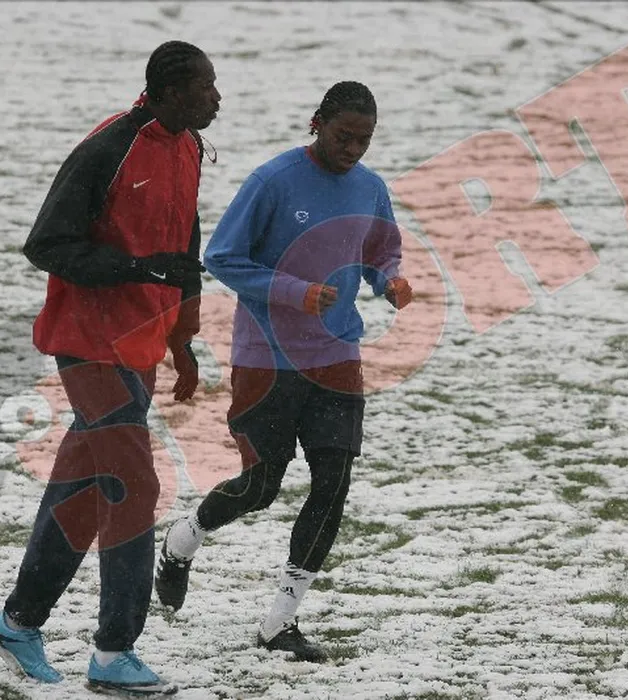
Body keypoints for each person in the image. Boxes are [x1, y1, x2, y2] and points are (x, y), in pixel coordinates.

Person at [0, 41, 220, 695]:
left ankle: (16, 623)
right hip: (88, 343)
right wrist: (135, 269)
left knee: (83, 491)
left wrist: (183, 341)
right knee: (134, 485)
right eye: (205, 87)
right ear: (170, 91)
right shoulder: (108, 148)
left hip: (140, 346)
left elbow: (185, 246)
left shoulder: (189, 147)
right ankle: (115, 653)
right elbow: (46, 244)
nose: (216, 98)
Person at [155, 81, 412, 662]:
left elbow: (379, 251)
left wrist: (389, 281)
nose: (353, 149)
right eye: (343, 136)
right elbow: (222, 257)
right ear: (317, 123)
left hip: (337, 357)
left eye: (364, 140)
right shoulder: (272, 181)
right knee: (260, 487)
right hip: (266, 359)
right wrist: (296, 291)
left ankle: (281, 622)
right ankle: (181, 540)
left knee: (332, 484)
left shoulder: (370, 188)